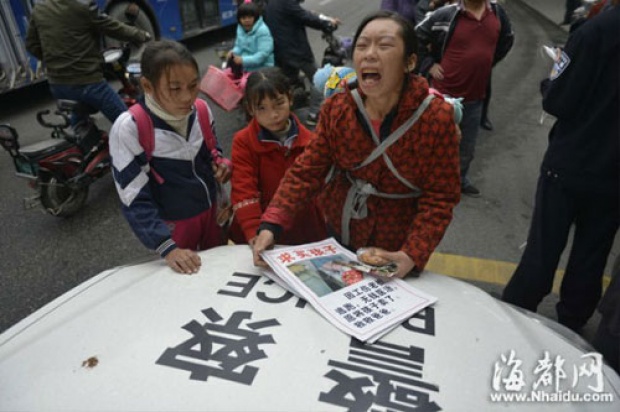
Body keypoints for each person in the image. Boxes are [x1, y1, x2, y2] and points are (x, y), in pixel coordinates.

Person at [252, 10, 461, 279]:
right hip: (340, 232)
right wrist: (272, 223)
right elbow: (307, 170)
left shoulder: (436, 118)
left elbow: (440, 197)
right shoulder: (338, 108)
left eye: (384, 45)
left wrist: (412, 254)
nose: (369, 54)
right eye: (362, 45)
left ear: (410, 62)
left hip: (396, 246)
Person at [502, 2, 619, 333]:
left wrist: (551, 80)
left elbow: (559, 100)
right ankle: (574, 321)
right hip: (613, 177)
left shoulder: (594, 31)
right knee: (593, 253)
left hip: (571, 162)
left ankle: (518, 311)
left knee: (544, 245)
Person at [109, 40, 232, 274]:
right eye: (175, 89)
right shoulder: (130, 128)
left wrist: (222, 164)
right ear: (147, 85)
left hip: (214, 216)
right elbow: (133, 198)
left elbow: (212, 152)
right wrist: (168, 247)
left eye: (193, 85)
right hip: (175, 229)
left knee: (221, 276)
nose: (187, 97)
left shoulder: (202, 110)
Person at [415, 0, 514, 197]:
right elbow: (414, 37)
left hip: (475, 96)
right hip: (442, 95)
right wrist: (429, 65)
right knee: (432, 143)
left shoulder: (498, 14)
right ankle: (423, 183)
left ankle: (458, 180)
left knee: (467, 147)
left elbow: (506, 40)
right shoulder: (446, 14)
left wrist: (486, 61)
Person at [228, 67, 327, 245]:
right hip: (260, 226)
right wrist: (253, 234)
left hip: (305, 226)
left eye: (278, 104)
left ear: (290, 98)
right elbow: (244, 190)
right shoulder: (244, 142)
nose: (273, 115)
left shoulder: (311, 140)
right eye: (262, 108)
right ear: (250, 109)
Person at [25, 0, 150, 125]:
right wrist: (142, 35)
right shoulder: (83, 6)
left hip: (57, 85)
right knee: (129, 125)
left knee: (80, 124)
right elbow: (113, 27)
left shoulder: (39, 8)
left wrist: (54, 61)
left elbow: (31, 45)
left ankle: (82, 137)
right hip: (87, 82)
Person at [263, 0, 340, 126]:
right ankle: (315, 114)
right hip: (295, 51)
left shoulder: (272, 3)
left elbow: (300, 14)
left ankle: (285, 115)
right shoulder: (286, 3)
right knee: (318, 78)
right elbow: (306, 17)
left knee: (288, 82)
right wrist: (328, 24)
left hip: (280, 51)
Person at [226, 0, 275, 77]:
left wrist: (243, 60)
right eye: (243, 18)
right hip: (247, 68)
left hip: (263, 70)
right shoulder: (240, 29)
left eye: (250, 17)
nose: (246, 20)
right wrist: (233, 52)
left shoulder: (262, 30)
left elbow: (262, 55)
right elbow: (239, 46)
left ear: (255, 17)